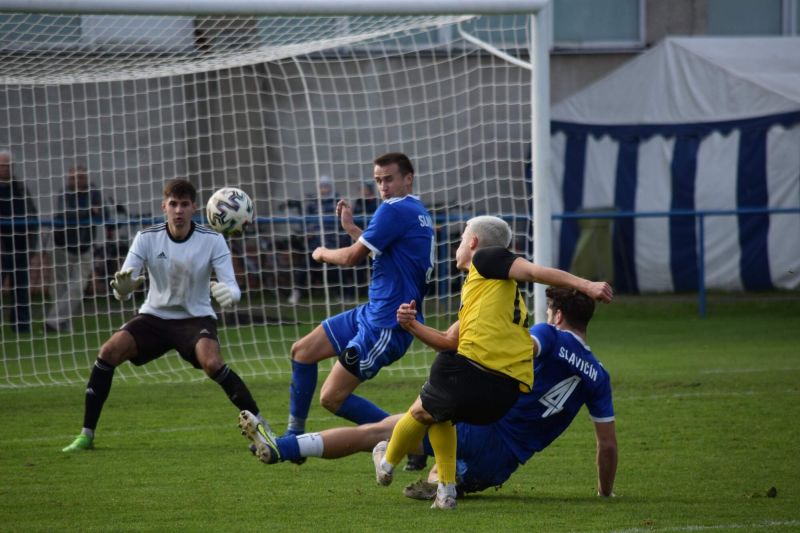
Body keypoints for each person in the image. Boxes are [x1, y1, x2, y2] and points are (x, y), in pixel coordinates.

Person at [236, 287, 617, 501]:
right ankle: (445, 481)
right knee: (429, 450)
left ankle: (284, 448)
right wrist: (604, 494)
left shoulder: (548, 336)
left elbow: (521, 347)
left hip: (481, 425)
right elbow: (608, 446)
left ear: (557, 315)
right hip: (501, 464)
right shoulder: (599, 375)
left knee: (380, 431)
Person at [373, 215, 613, 509]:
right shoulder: (490, 293)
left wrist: (586, 285)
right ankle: (446, 491)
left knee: (423, 406)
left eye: (461, 238)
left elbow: (535, 272)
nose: (458, 245)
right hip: (503, 394)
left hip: (476, 374)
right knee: (440, 412)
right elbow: (450, 340)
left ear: (473, 242)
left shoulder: (486, 258)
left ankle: (386, 462)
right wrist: (412, 326)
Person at [62, 179, 269, 452]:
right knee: (109, 351)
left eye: (184, 204)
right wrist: (121, 291)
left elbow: (232, 286)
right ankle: (86, 435)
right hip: (154, 317)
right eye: (173, 204)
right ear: (164, 207)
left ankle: (263, 427)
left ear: (195, 208)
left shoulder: (214, 240)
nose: (178, 210)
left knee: (212, 362)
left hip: (195, 318)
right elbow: (124, 282)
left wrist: (231, 294)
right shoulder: (146, 237)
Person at [283, 152, 435, 444]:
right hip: (371, 312)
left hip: (386, 325)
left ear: (408, 178)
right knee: (302, 351)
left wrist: (321, 252)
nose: (383, 187)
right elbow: (385, 252)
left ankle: (414, 442)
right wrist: (353, 230)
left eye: (389, 179)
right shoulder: (416, 210)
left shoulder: (393, 209)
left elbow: (353, 257)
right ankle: (293, 434)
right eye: (378, 181)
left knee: (332, 398)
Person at [45, 165, 103, 333]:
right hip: (62, 245)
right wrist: (89, 211)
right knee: (58, 287)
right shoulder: (65, 193)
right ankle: (63, 324)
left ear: (86, 178)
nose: (76, 181)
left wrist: (93, 212)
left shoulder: (94, 193)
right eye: (73, 178)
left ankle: (52, 321)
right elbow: (65, 214)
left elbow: (104, 213)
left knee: (78, 286)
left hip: (85, 247)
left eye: (80, 178)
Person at [0, 150, 37, 333]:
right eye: (2, 166)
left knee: (21, 288)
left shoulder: (20, 188)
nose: (5, 169)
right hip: (2, 246)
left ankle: (21, 325)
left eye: (8, 165)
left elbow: (32, 212)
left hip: (21, 245)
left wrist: (32, 244)